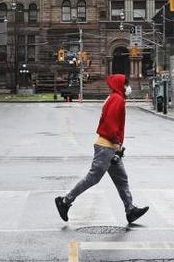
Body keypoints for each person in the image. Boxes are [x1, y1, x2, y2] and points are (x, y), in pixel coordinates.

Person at [55, 74, 149, 225]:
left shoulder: (114, 97)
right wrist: (116, 142)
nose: (128, 87)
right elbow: (111, 125)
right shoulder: (117, 99)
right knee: (93, 178)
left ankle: (130, 210)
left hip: (110, 146)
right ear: (120, 85)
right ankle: (65, 202)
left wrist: (116, 144)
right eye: (126, 84)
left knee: (121, 179)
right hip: (106, 147)